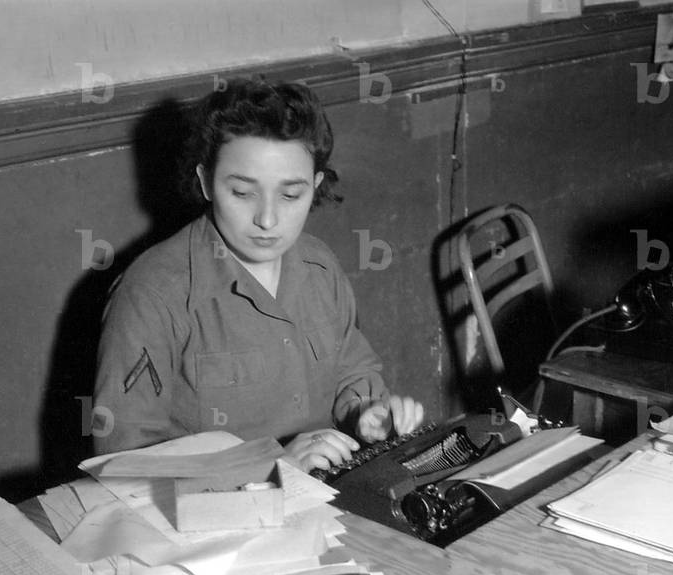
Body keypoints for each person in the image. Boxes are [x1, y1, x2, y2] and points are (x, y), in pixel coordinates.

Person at [92, 78, 424, 471]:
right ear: (206, 182)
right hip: (213, 521)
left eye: (290, 195)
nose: (267, 219)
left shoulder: (320, 268)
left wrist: (368, 412)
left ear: (315, 186)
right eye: (243, 192)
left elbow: (353, 370)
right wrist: (271, 467)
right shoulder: (154, 293)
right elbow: (123, 463)